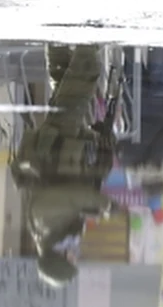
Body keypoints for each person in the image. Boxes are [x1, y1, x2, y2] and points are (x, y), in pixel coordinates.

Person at [10, 43, 119, 286]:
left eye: (71, 260)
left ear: (60, 258)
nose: (76, 256)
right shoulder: (63, 231)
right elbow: (81, 187)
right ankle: (56, 38)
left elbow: (70, 195)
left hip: (56, 144)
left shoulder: (44, 225)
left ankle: (89, 36)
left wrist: (103, 204)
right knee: (64, 81)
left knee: (85, 73)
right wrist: (102, 149)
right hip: (70, 145)